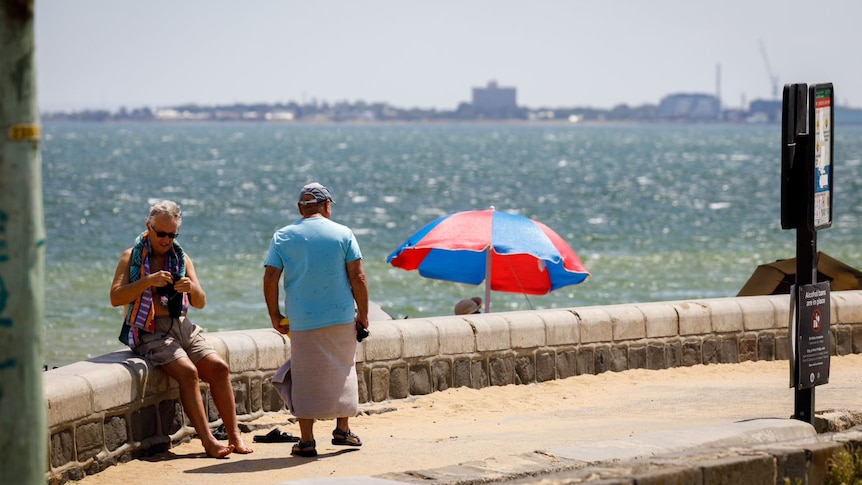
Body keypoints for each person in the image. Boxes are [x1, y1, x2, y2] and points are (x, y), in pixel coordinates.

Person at [110, 200, 252, 457]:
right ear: (148, 226)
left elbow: (200, 302)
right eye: (161, 233)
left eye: (172, 234)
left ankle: (235, 436)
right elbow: (115, 297)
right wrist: (147, 281)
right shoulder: (131, 257)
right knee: (188, 372)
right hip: (150, 329)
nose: (166, 240)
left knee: (219, 368)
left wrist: (191, 288)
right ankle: (208, 441)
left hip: (183, 325)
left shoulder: (181, 258)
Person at [263, 182, 369, 458]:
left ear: (300, 208)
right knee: (343, 369)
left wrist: (275, 314)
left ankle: (307, 440)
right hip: (341, 315)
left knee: (304, 375)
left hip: (301, 318)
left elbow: (270, 277)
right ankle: (342, 430)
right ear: (327, 206)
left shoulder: (283, 236)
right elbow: (358, 277)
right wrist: (364, 315)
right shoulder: (343, 234)